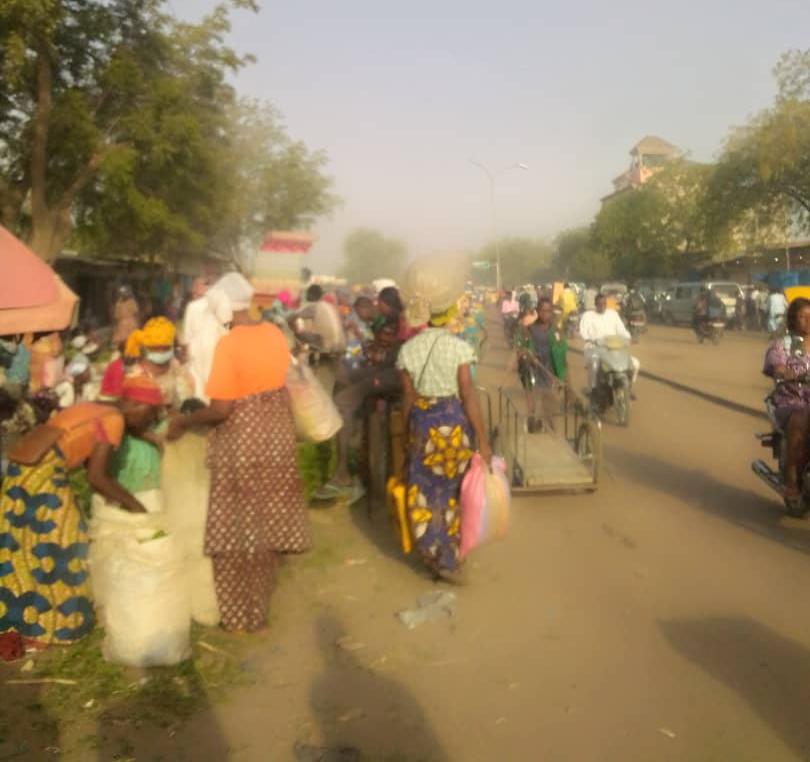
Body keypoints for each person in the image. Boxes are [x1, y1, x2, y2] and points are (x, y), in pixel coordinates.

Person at [167, 272, 309, 633]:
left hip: (242, 441)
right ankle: (260, 604)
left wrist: (184, 422)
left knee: (236, 528)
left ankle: (240, 614)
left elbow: (221, 410)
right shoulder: (274, 333)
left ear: (224, 308)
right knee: (267, 522)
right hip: (276, 437)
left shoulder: (229, 345)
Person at [0, 377, 163, 645]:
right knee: (67, 543)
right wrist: (138, 508)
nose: (150, 422)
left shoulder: (99, 409)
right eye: (150, 415)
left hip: (20, 471)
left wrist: (113, 500)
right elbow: (97, 478)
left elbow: (92, 466)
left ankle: (24, 623)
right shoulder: (114, 421)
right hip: (41, 475)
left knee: (24, 549)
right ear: (136, 405)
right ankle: (61, 625)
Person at [397, 258, 492, 582]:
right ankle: (452, 554)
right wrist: (482, 440)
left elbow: (407, 399)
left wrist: (404, 439)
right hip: (455, 426)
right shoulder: (459, 348)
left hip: (423, 428)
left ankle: (435, 555)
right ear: (449, 313)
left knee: (426, 493)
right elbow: (468, 396)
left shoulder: (408, 350)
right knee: (455, 491)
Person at [763, 298, 810, 509]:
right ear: (793, 319)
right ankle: (792, 479)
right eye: (803, 316)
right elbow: (776, 365)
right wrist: (784, 371)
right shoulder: (784, 344)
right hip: (791, 399)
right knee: (800, 418)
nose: (808, 321)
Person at [514, 297, 567, 432]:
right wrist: (527, 354)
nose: (545, 314)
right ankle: (533, 425)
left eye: (548, 311)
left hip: (549, 371)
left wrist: (561, 374)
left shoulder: (556, 331)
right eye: (542, 311)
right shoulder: (529, 329)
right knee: (534, 408)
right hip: (533, 372)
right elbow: (520, 347)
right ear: (537, 311)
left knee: (551, 411)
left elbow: (562, 351)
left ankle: (553, 435)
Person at [123, 316, 194, 409]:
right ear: (146, 348)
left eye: (166, 348)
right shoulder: (136, 375)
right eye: (156, 349)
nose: (161, 352)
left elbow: (187, 392)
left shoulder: (174, 366)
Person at [181, 276, 232, 402]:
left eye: (197, 286)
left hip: (199, 352)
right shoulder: (225, 305)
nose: (193, 291)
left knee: (199, 386)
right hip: (215, 350)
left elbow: (187, 337)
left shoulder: (193, 307)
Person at [579, 294, 640, 395]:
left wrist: (629, 338)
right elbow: (583, 331)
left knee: (636, 364)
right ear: (595, 304)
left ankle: (628, 387)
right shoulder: (588, 316)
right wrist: (589, 340)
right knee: (594, 365)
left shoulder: (613, 314)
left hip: (614, 348)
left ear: (606, 304)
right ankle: (592, 389)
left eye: (604, 304)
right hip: (594, 348)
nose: (602, 306)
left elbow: (622, 330)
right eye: (599, 304)